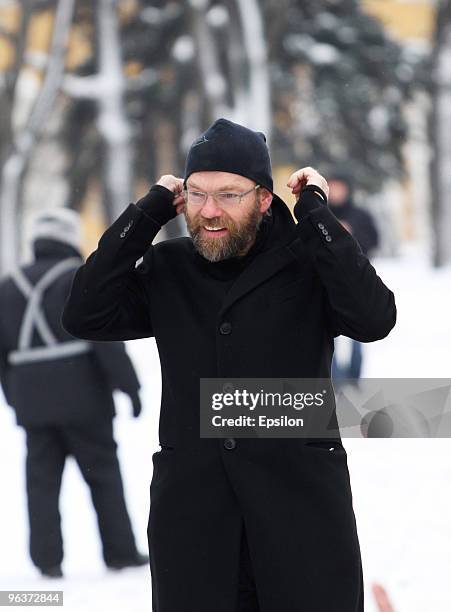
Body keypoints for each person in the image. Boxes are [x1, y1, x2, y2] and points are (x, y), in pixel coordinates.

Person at [62, 118, 397, 611]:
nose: (210, 211)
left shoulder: (307, 261)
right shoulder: (168, 268)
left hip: (301, 514)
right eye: (197, 194)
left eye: (228, 195)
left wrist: (318, 213)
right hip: (196, 520)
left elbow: (374, 318)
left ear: (264, 199)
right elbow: (84, 313)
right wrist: (148, 212)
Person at [0, 208, 149, 578]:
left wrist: (14, 396)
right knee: (103, 476)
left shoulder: (7, 287)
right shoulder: (77, 279)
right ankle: (120, 552)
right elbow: (105, 341)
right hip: (85, 398)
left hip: (34, 403)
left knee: (41, 483)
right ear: (70, 238)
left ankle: (47, 560)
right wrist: (129, 387)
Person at [327, 168, 380, 381]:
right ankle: (336, 378)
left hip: (358, 280)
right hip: (327, 281)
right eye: (332, 187)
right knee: (330, 332)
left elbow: (374, 241)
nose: (336, 192)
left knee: (358, 332)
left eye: (339, 187)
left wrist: (351, 235)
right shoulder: (319, 212)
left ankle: (355, 377)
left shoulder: (360, 215)